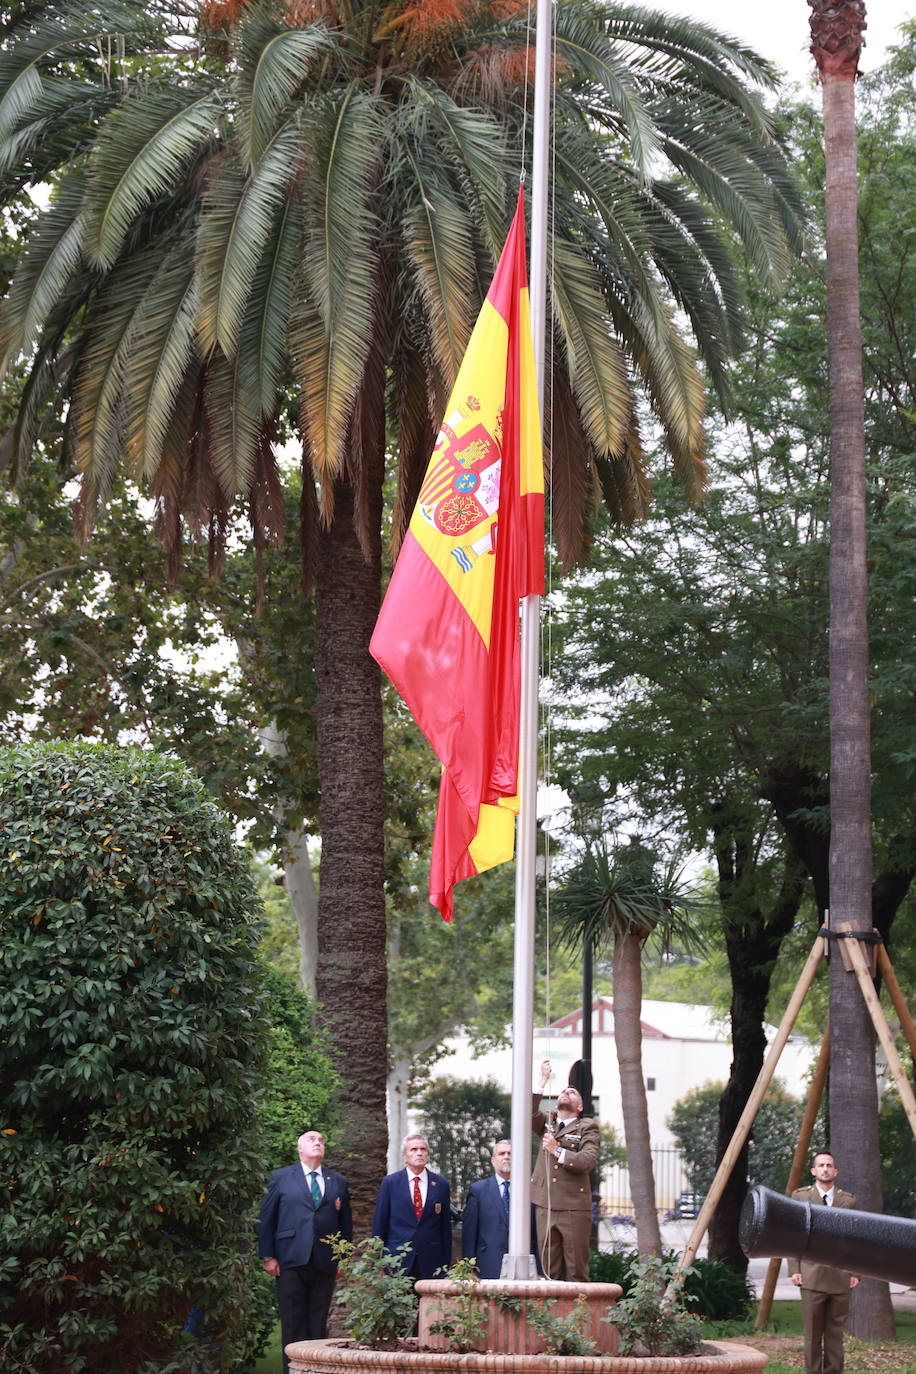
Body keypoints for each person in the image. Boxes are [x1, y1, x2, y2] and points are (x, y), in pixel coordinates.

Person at [258, 1129, 353, 1374]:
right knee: (292, 1323)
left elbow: (346, 1225)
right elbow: (267, 1218)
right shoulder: (280, 1177)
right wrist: (268, 1256)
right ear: (299, 1148)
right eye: (311, 1139)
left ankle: (316, 1371)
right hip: (289, 1260)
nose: (318, 1143)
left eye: (321, 1140)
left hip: (324, 1262)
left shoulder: (338, 1182)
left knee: (317, 1322)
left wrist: (342, 1259)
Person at [786, 1150, 860, 1374]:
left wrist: (855, 1272)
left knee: (835, 1334)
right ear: (813, 1170)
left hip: (840, 1278)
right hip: (811, 1276)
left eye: (829, 1165)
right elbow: (794, 1236)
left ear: (835, 1171)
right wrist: (794, 1269)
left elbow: (856, 1240)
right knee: (812, 1335)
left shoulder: (848, 1200)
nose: (825, 1169)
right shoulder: (800, 1197)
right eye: (821, 1165)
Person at [530, 1058, 599, 1281]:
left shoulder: (587, 1127)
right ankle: (553, 1315)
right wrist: (542, 1079)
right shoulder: (547, 1122)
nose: (566, 1092)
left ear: (580, 1107)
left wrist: (557, 1150)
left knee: (576, 1268)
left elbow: (587, 1160)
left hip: (573, 1208)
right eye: (563, 1091)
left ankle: (578, 1316)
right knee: (550, 1269)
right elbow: (527, 1111)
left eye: (572, 1092)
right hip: (545, 1204)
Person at [372, 1135, 452, 1278]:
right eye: (414, 1149)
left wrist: (445, 1266)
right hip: (397, 1261)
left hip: (431, 1262)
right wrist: (377, 1264)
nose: (419, 1153)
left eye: (423, 1149)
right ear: (404, 1156)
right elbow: (379, 1224)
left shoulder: (441, 1184)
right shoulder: (390, 1183)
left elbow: (445, 1229)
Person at [461, 1141, 542, 1279]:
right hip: (488, 1266)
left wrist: (539, 1269)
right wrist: (469, 1269)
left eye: (510, 1154)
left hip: (524, 1268)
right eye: (501, 1154)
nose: (506, 1157)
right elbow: (469, 1234)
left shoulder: (528, 1190)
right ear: (493, 1160)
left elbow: (535, 1233)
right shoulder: (478, 1191)